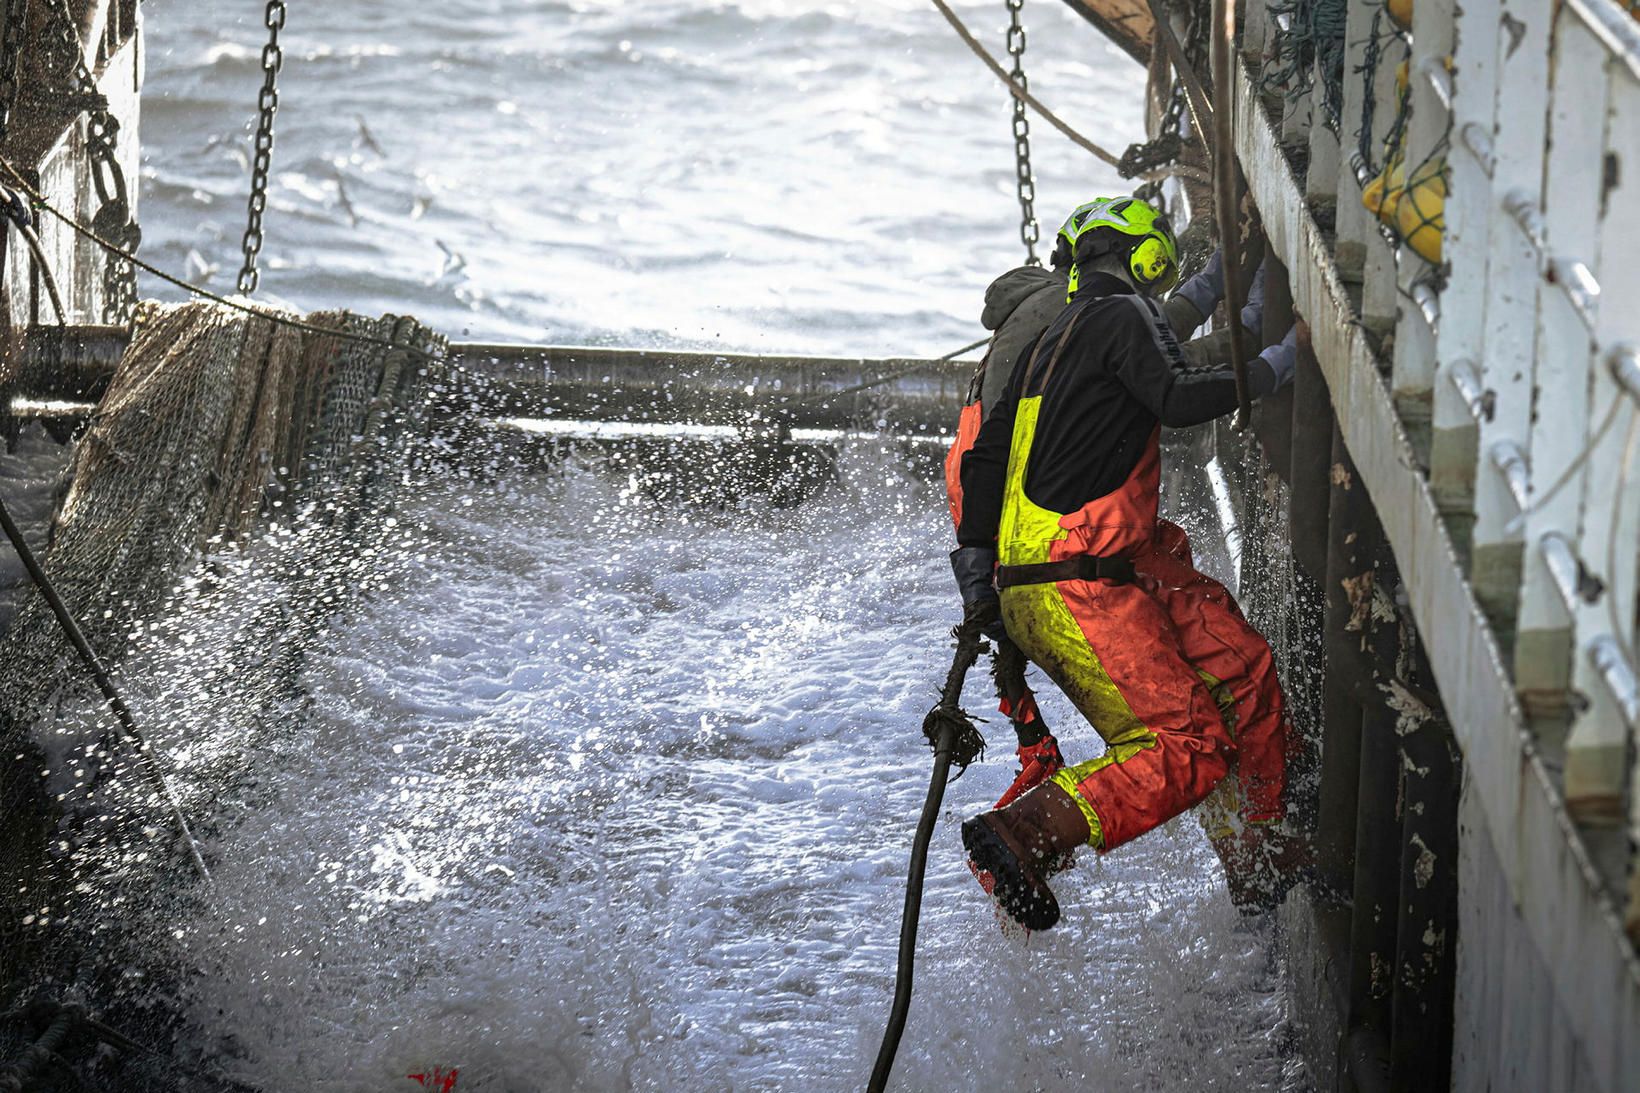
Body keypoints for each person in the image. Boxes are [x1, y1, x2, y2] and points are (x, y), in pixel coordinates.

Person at [951, 195, 1303, 931]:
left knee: (1242, 665)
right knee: (1190, 743)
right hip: (1079, 582)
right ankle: (1024, 832)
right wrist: (1278, 360)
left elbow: (983, 459)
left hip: (1050, 580)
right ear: (1145, 261)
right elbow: (1174, 391)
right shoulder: (1118, 317)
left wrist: (980, 577)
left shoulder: (1055, 339)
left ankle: (1260, 851)